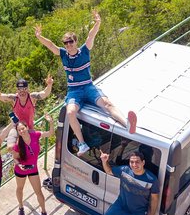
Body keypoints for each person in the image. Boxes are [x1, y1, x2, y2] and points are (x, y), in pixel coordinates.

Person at [34, 10, 137, 157]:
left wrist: (98, 22)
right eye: (66, 43)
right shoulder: (63, 54)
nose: (68, 45)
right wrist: (39, 37)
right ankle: (82, 144)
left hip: (88, 87)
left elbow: (91, 36)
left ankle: (127, 124)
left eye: (71, 42)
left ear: (76, 41)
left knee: (107, 104)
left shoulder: (84, 50)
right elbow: (50, 45)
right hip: (74, 91)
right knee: (70, 112)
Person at [0, 75, 53, 146]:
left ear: (27, 89)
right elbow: (0, 96)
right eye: (20, 89)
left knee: (31, 149)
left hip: (29, 129)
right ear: (17, 90)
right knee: (10, 147)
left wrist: (49, 85)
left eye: (24, 88)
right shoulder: (14, 98)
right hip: (16, 128)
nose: (22, 91)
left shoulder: (32, 97)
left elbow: (44, 93)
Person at [12, 115, 54, 215]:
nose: (22, 131)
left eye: (23, 128)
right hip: (21, 170)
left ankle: (44, 212)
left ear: (27, 127)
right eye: (19, 130)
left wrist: (50, 122)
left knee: (38, 192)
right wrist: (19, 165)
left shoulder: (35, 135)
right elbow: (15, 158)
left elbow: (50, 133)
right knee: (20, 188)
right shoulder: (17, 144)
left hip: (33, 169)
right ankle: (21, 207)